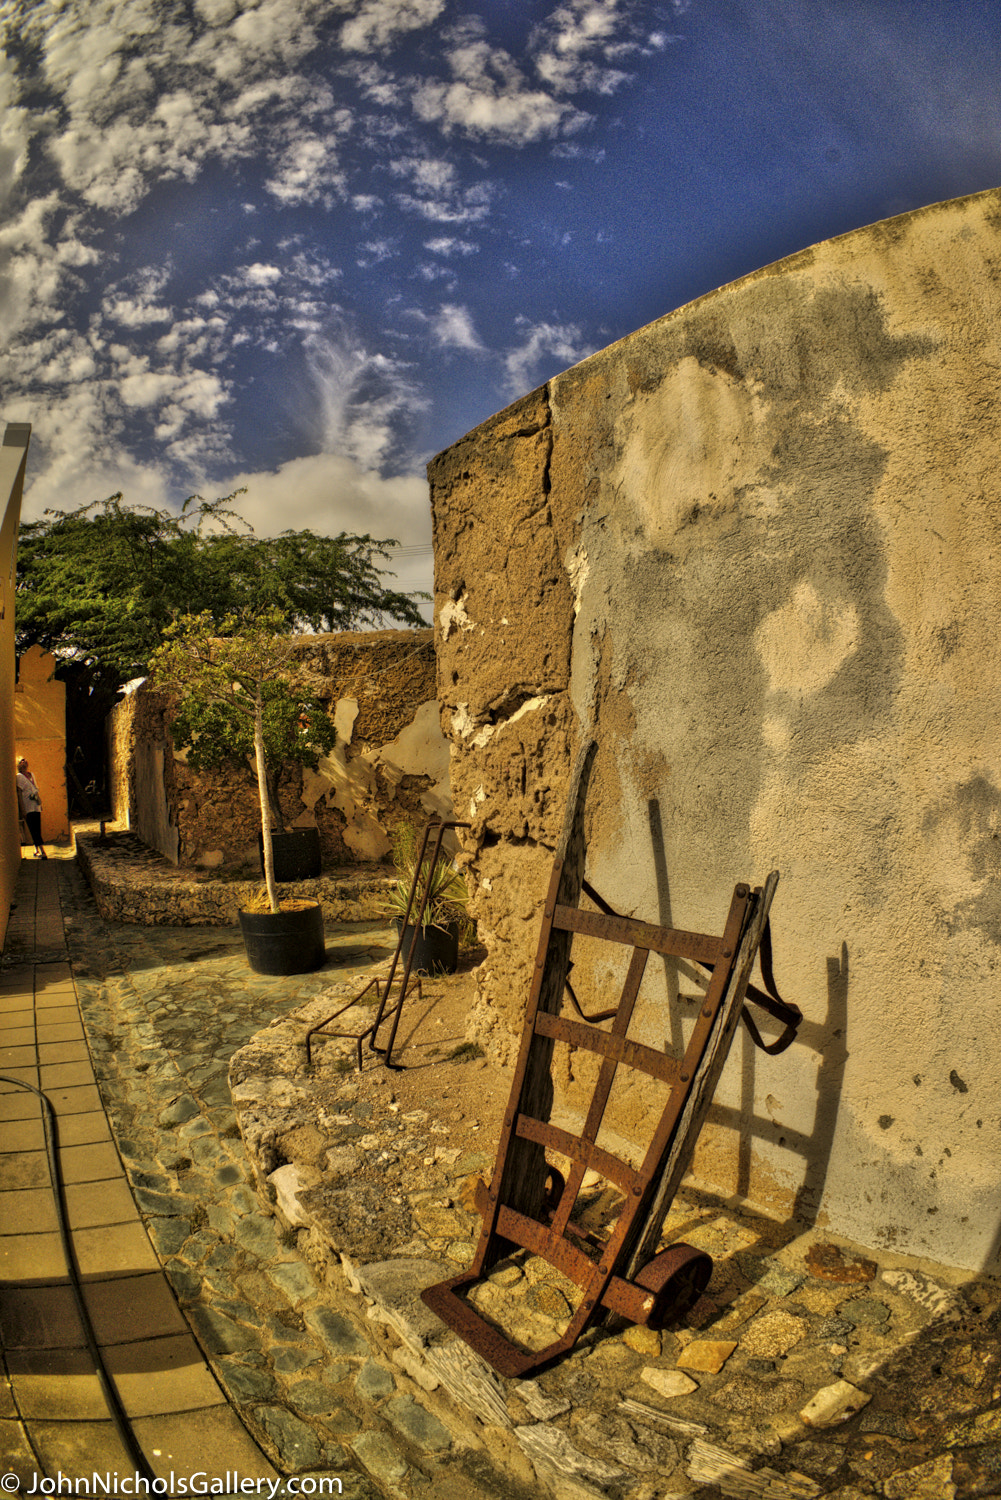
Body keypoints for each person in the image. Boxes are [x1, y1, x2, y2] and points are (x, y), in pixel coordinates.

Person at [16, 757, 47, 858]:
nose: (24, 762)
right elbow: (19, 794)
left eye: (25, 760)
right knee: (33, 828)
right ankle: (42, 851)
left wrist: (40, 802)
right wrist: (22, 809)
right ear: (19, 764)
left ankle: (37, 849)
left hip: (35, 805)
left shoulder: (31, 774)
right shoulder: (19, 777)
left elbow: (36, 789)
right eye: (21, 761)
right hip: (27, 806)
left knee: (37, 827)